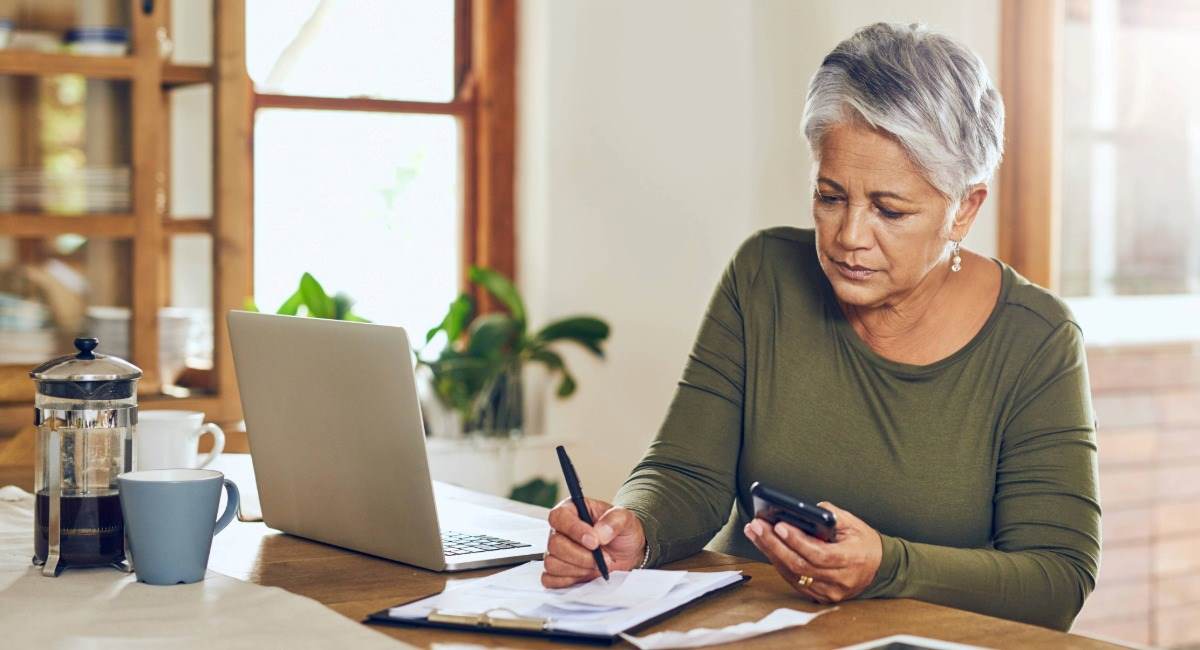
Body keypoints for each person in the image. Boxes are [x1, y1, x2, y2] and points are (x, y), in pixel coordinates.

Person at [540, 22, 1100, 631]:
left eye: (889, 209)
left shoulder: (1037, 338)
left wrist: (888, 565)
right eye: (830, 198)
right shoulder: (764, 274)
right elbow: (686, 473)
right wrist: (637, 529)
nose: (850, 237)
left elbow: (1056, 578)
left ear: (964, 207)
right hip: (745, 633)